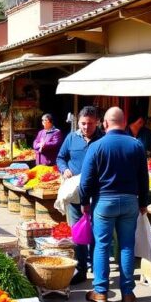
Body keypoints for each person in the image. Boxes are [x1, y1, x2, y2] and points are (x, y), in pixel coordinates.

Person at [79, 107, 149, 302]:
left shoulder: (97, 146)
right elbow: (144, 178)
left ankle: (100, 291)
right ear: (124, 123)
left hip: (104, 202)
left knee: (102, 245)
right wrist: (143, 202)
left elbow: (86, 181)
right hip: (129, 202)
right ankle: (127, 292)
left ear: (105, 123)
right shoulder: (136, 145)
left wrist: (85, 202)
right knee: (127, 245)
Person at [57, 106, 104, 284]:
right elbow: (60, 157)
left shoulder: (103, 139)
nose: (86, 127)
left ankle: (97, 269)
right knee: (79, 233)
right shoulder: (71, 138)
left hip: (97, 193)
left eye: (90, 124)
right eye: (83, 123)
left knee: (96, 232)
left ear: (97, 122)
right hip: (75, 193)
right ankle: (82, 269)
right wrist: (64, 169)